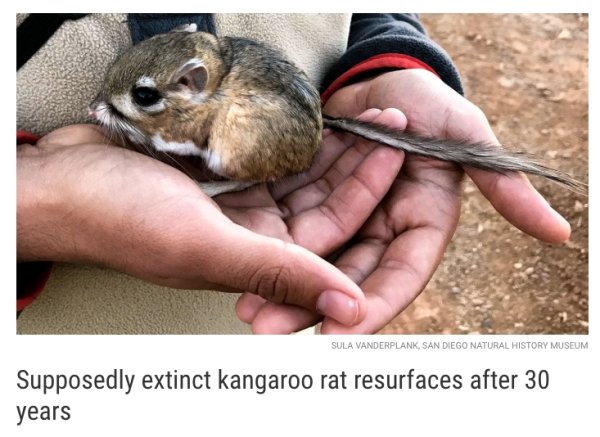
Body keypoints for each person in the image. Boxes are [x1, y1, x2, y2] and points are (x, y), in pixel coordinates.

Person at [16, 13, 570, 334]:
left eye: (137, 99)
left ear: (191, 84)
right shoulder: (185, 79)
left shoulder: (198, 101)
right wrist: (30, 202)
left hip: (266, 322)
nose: (102, 113)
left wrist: (383, 49)